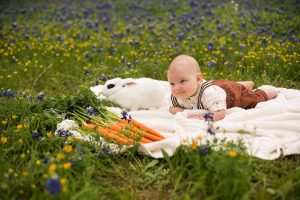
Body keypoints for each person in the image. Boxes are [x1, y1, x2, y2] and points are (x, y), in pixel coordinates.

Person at [167, 54, 278, 121]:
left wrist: (202, 118)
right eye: (172, 83)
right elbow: (173, 108)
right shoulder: (177, 95)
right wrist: (181, 111)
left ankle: (265, 91)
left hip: (230, 95)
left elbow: (220, 114)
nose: (177, 88)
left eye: (182, 81)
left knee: (253, 100)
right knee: (232, 85)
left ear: (198, 79)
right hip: (218, 87)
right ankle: (241, 85)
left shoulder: (209, 94)